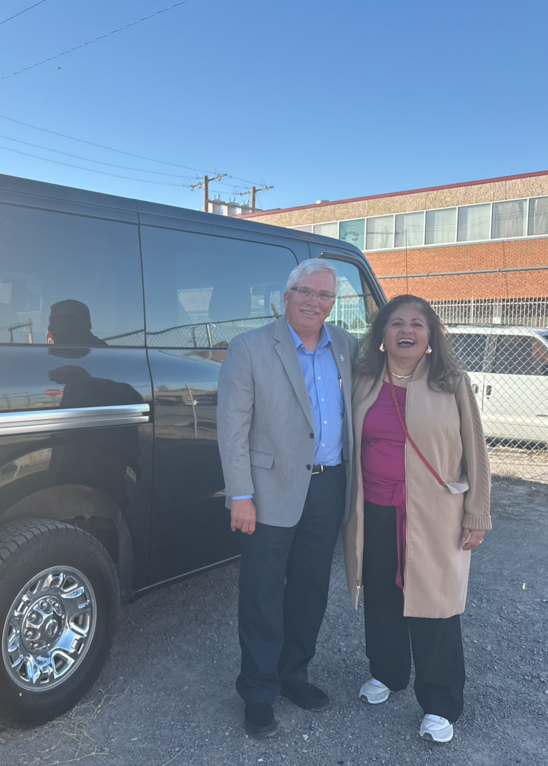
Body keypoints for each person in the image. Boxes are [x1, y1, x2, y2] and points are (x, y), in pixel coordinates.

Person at [217, 259, 358, 738]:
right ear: (286, 295)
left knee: (310, 590)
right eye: (306, 291)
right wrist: (241, 495)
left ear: (333, 303)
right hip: (267, 491)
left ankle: (293, 675)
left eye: (325, 295)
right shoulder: (250, 348)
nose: (314, 302)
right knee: (261, 595)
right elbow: (232, 429)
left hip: (328, 486)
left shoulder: (347, 346)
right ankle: (258, 691)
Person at [344, 294, 491, 744]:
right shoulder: (364, 380)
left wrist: (477, 512)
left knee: (435, 606)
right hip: (376, 511)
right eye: (396, 323)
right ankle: (387, 674)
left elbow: (476, 453)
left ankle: (441, 703)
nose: (406, 330)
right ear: (382, 336)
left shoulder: (452, 381)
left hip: (435, 514)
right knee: (383, 597)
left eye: (418, 324)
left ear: (430, 337)